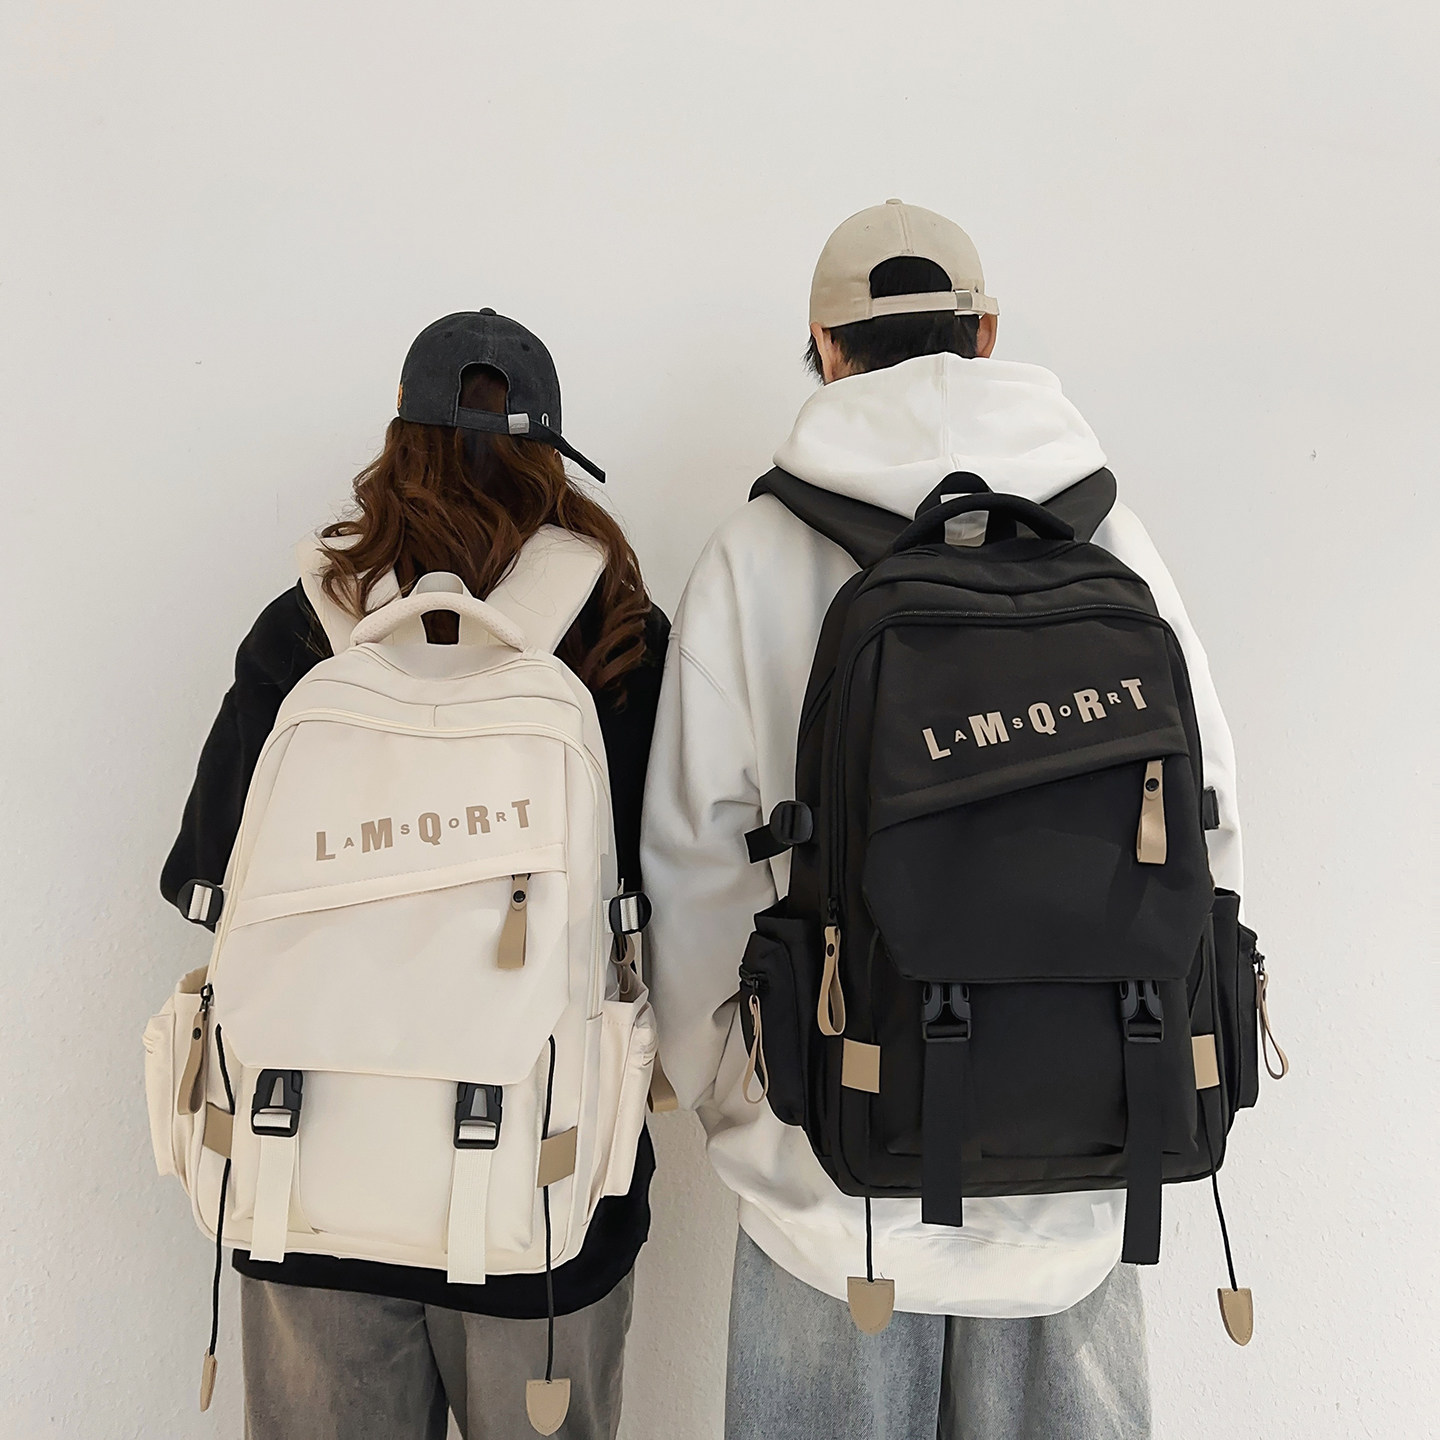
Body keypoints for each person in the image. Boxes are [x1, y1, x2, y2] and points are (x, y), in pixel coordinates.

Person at [641, 201, 1242, 1439]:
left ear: (824, 344)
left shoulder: (756, 552)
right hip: (1089, 1173)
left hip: (832, 1196)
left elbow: (695, 869)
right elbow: (1212, 827)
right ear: (987, 332)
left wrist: (750, 1114)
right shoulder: (1110, 534)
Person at [161, 310, 668, 1440]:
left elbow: (209, 886)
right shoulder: (618, 630)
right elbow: (661, 911)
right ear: (552, 455)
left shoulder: (307, 627)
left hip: (308, 1186)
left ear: (398, 439)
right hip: (544, 1197)